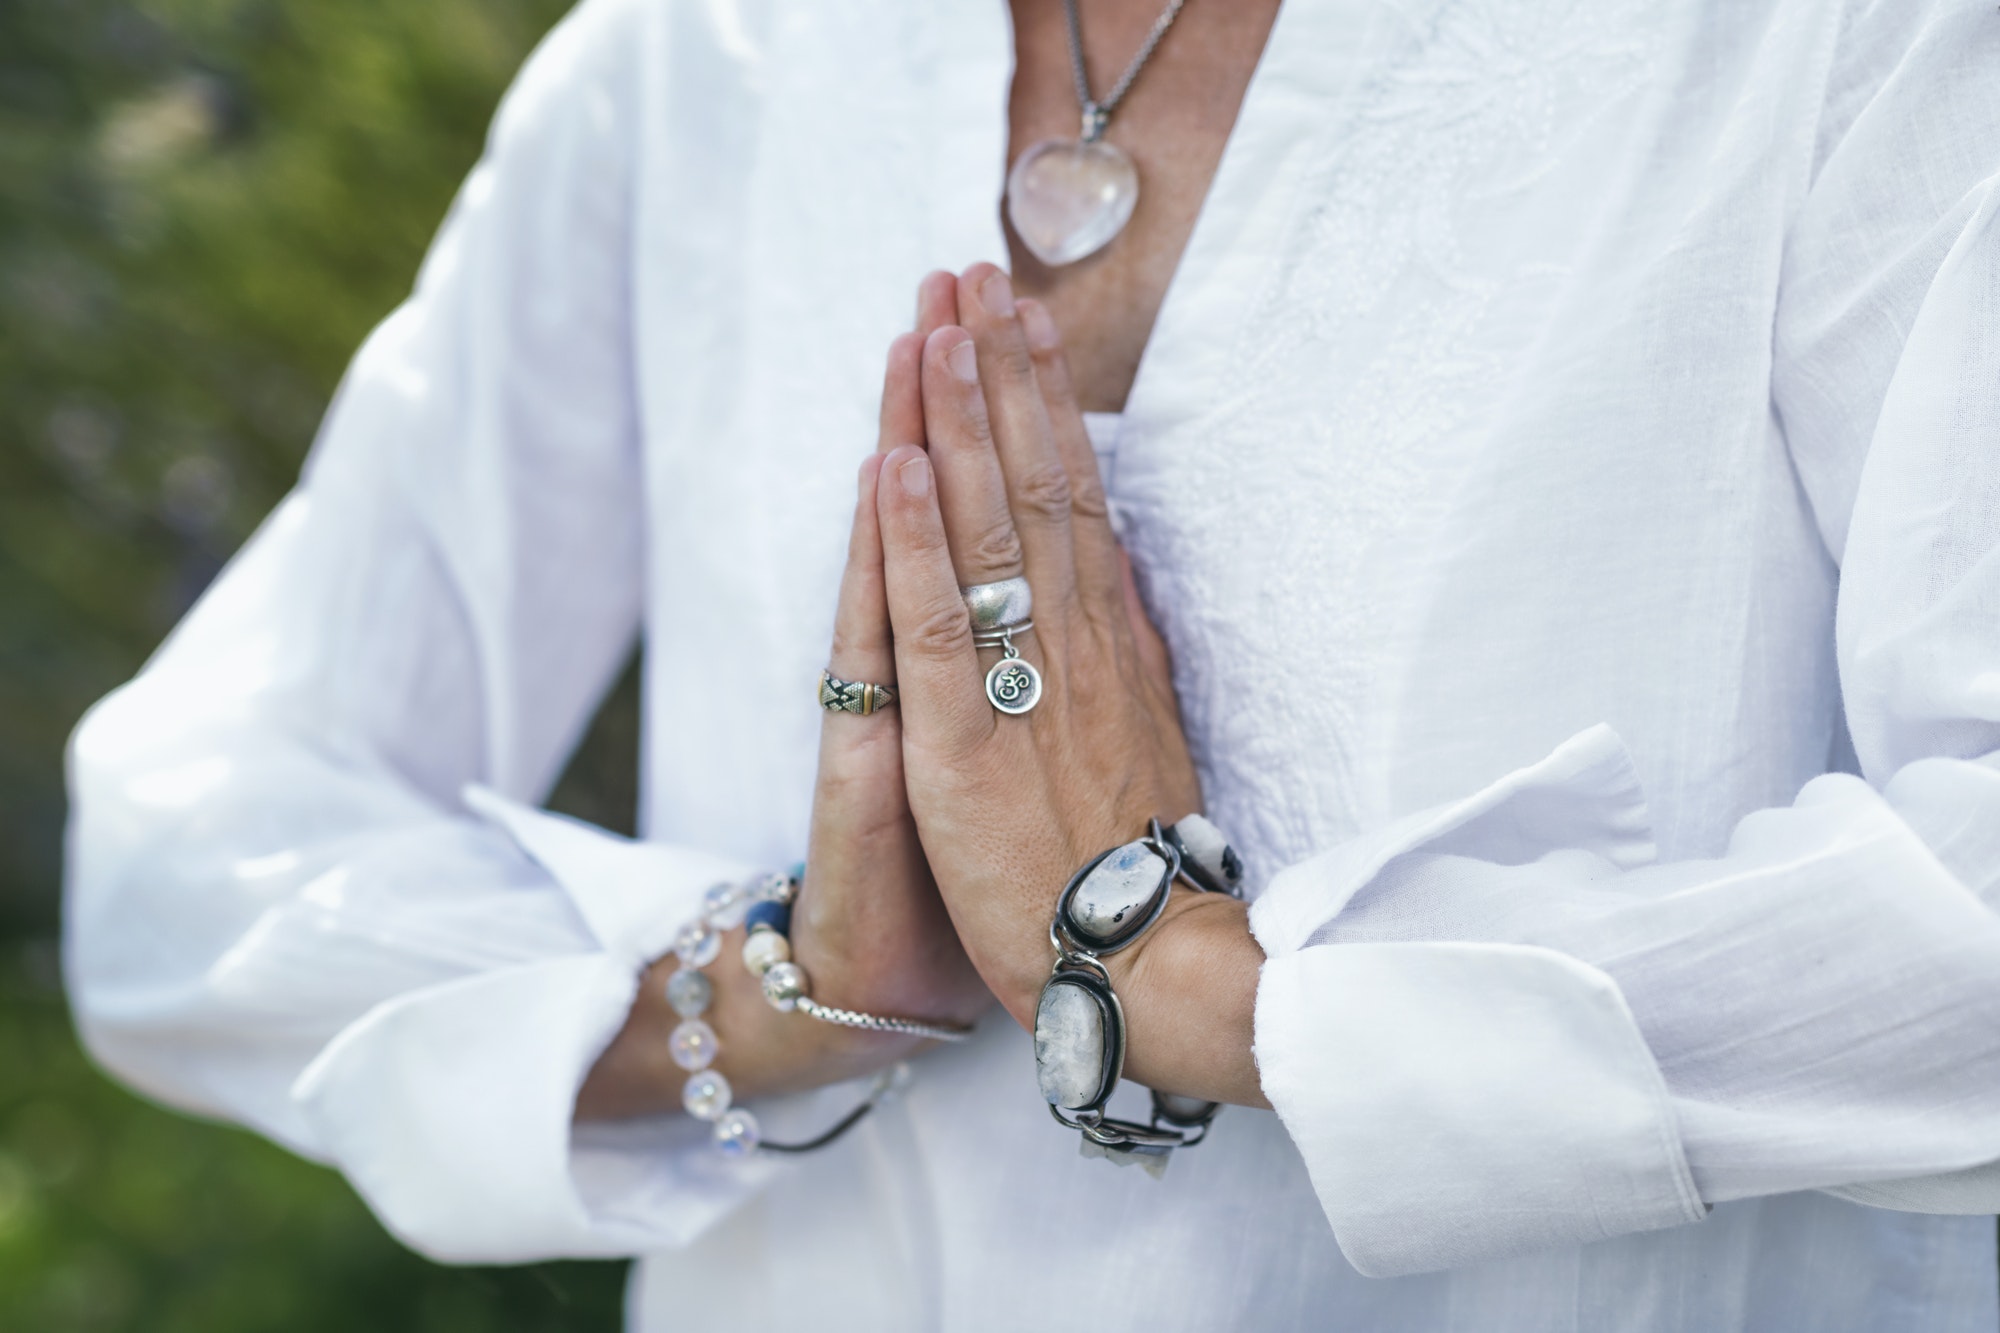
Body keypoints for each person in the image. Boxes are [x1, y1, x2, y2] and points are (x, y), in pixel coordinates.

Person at [63, 0, 2000, 1327]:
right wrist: (786, 997)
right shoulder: (706, 62)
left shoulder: (1836, 44)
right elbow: (183, 857)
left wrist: (1207, 991)